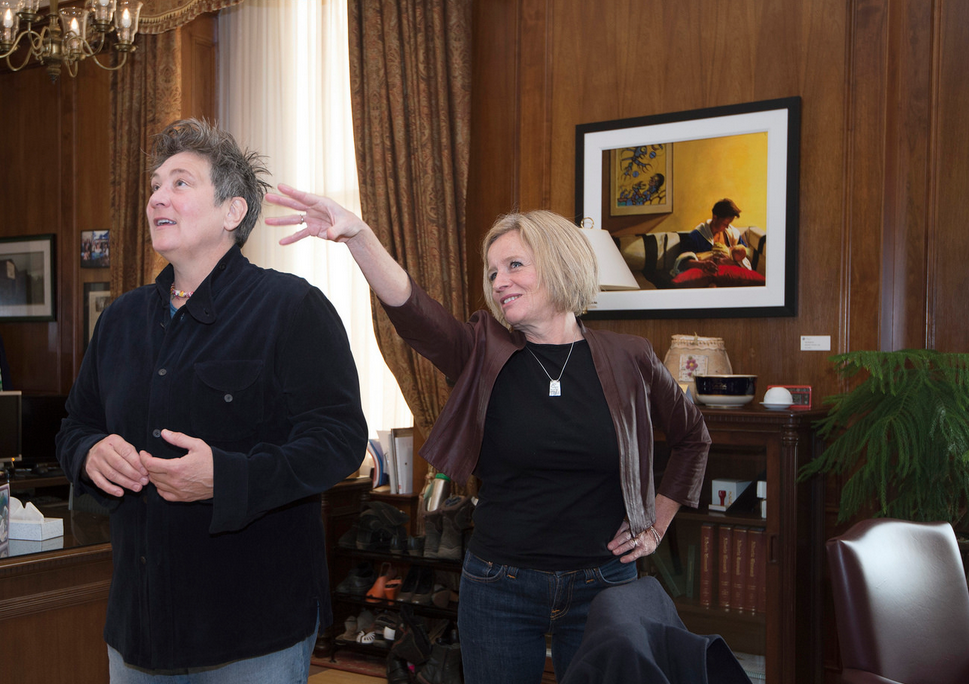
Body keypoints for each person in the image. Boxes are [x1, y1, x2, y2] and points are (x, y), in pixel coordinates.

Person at [266, 186, 710, 684]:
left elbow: (694, 438)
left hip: (604, 584)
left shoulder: (630, 356)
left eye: (515, 265)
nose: (500, 282)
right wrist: (360, 237)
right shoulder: (482, 349)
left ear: (561, 264)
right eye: (494, 272)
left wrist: (656, 523)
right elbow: (415, 312)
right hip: (501, 586)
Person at [55, 119, 367, 683]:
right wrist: (89, 453)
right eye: (154, 185)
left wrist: (228, 479)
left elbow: (338, 441)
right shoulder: (121, 320)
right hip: (138, 630)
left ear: (233, 212)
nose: (156, 198)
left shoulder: (292, 309)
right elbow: (75, 425)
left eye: (179, 183)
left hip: (251, 631)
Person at [671, 198, 765, 288]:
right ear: (715, 218)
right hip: (707, 279)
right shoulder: (697, 236)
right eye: (725, 224)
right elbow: (683, 261)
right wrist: (703, 264)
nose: (728, 227)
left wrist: (732, 262)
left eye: (729, 223)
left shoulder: (732, 234)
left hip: (729, 279)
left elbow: (745, 254)